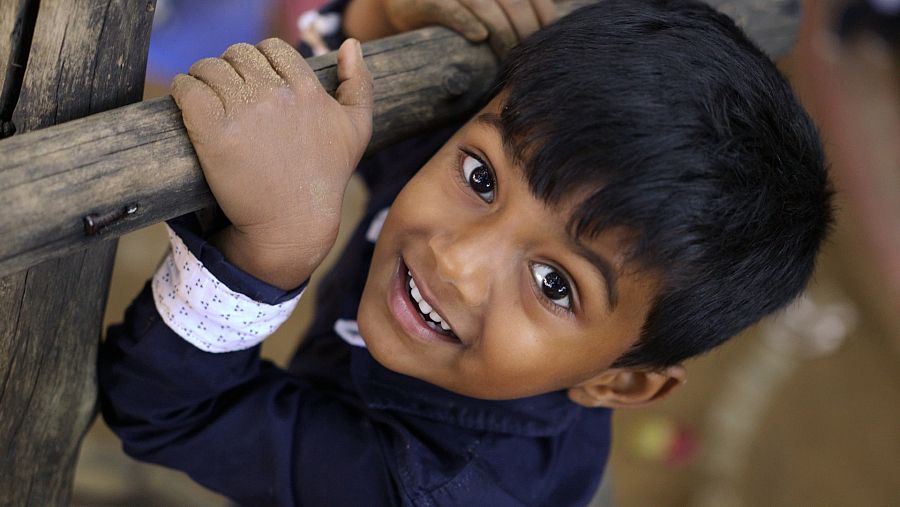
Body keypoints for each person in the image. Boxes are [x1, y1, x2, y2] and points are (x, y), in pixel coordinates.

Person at [98, 0, 834, 505]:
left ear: (619, 385)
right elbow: (388, 118)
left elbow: (165, 409)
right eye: (482, 176)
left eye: (554, 284)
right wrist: (386, 19)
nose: (456, 259)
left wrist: (276, 248)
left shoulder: (431, 488)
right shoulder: (511, 167)